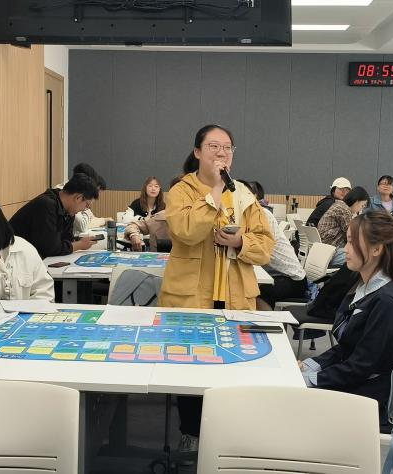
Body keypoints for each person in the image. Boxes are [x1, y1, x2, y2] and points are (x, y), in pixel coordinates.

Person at [158, 125, 275, 454]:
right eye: (213, 146)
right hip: (191, 297)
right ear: (197, 152)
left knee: (233, 366)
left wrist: (240, 242)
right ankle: (190, 433)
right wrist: (215, 193)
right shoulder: (181, 191)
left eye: (227, 148)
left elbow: (265, 247)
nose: (222, 153)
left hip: (235, 295)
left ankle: (229, 437)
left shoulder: (244, 195)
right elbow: (186, 231)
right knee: (189, 366)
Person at [300, 211, 393, 431]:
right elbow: (347, 348)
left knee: (285, 401)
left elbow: (360, 367)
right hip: (359, 383)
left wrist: (310, 379)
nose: (345, 249)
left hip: (371, 400)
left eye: (352, 242)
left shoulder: (387, 303)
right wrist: (309, 366)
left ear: (376, 249)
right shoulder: (365, 287)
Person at [236, 180, 306, 309]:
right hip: (274, 274)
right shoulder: (246, 214)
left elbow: (258, 248)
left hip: (292, 279)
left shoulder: (261, 214)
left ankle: (265, 321)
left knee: (256, 293)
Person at [10, 173, 100, 258]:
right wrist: (79, 245)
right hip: (15, 258)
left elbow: (66, 239)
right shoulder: (46, 205)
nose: (84, 209)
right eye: (87, 205)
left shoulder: (68, 211)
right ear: (78, 198)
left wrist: (79, 241)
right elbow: (50, 248)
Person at [124, 176, 182, 252]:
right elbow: (131, 225)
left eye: (156, 186)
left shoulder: (162, 206)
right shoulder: (161, 217)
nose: (153, 189)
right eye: (150, 186)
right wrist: (134, 235)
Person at [318, 186, 370, 267]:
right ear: (357, 201)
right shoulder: (344, 210)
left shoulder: (339, 205)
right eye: (362, 206)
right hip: (331, 253)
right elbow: (353, 235)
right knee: (366, 256)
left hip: (324, 251)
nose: (361, 210)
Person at [60, 162, 112, 236]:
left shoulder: (76, 194)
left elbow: (90, 218)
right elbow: (83, 225)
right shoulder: (68, 195)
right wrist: (103, 220)